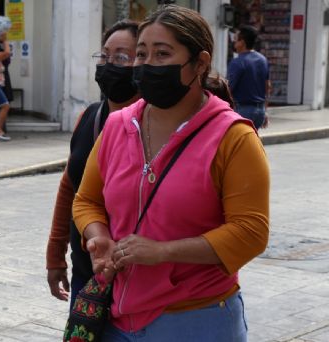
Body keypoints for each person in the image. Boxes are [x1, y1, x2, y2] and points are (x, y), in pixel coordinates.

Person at [72, 5, 269, 341]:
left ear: (200, 63)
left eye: (162, 54)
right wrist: (98, 235)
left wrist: (163, 251)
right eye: (142, 54)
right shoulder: (118, 126)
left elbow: (250, 232)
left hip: (197, 319)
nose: (147, 65)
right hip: (117, 316)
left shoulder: (234, 137)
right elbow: (86, 200)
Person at [45, 21, 140, 307]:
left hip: (134, 274)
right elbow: (69, 188)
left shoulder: (152, 124)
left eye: (122, 57)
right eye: (104, 56)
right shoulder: (90, 117)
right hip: (86, 268)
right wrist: (55, 254)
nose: (109, 65)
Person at [228, 25, 270, 129]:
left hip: (242, 109)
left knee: (236, 143)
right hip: (259, 110)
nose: (234, 43)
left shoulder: (238, 62)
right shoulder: (262, 60)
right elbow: (267, 86)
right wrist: (265, 111)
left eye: (236, 39)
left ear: (242, 42)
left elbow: (228, 88)